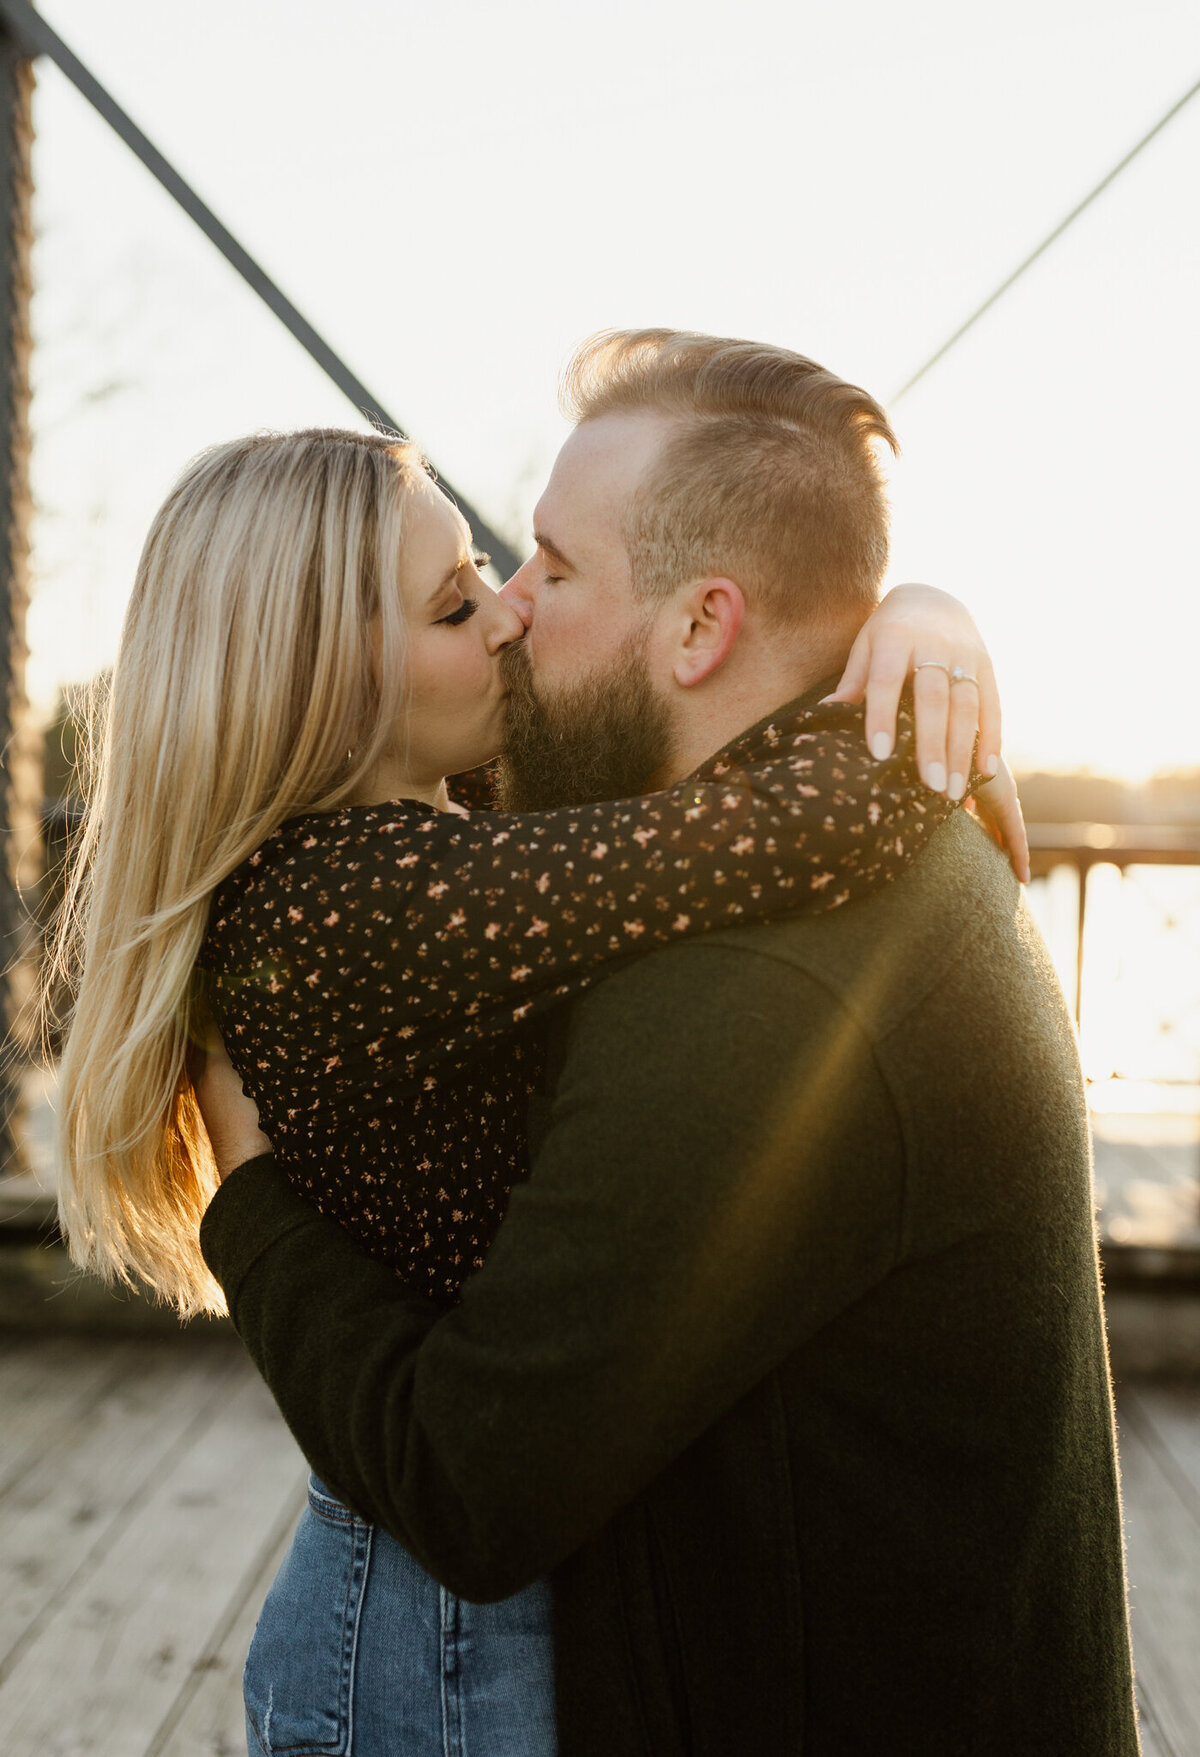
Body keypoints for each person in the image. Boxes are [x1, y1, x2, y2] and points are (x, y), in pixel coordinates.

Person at [195, 331, 1138, 1755]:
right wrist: (921, 617)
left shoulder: (756, 984)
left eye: (550, 569)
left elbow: (469, 1483)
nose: (512, 611)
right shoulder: (832, 875)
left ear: (700, 629)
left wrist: (251, 1203)